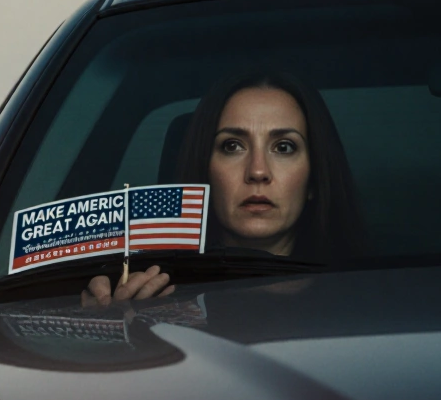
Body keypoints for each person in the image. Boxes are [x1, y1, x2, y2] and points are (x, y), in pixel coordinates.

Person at [84, 71, 360, 305]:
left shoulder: (365, 306)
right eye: (233, 146)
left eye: (284, 147)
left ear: (314, 179)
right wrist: (107, 326)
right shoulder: (155, 303)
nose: (258, 171)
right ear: (206, 170)